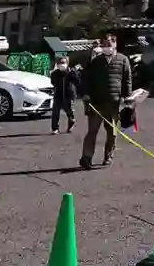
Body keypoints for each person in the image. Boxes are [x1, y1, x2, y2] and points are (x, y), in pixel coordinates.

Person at [80, 33, 133, 169]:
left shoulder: (123, 60)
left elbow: (127, 80)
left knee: (112, 133)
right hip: (97, 103)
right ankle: (86, 157)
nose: (106, 47)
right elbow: (86, 78)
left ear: (115, 44)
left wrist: (127, 98)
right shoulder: (95, 61)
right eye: (104, 44)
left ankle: (108, 156)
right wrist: (85, 94)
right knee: (92, 132)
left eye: (109, 44)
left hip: (114, 103)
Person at [48, 56, 80, 134]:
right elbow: (53, 82)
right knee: (55, 112)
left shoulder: (71, 72)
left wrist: (72, 73)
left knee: (69, 112)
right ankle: (55, 129)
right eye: (59, 63)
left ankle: (71, 122)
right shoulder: (55, 73)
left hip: (69, 95)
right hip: (58, 95)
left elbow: (77, 81)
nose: (61, 64)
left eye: (63, 62)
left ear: (67, 63)